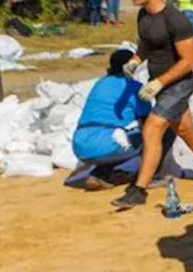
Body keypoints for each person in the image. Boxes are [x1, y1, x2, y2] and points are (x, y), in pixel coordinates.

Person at [110, 0, 193, 208]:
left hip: (179, 83)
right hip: (160, 83)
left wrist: (159, 83)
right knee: (184, 129)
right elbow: (147, 43)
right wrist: (136, 60)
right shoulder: (144, 15)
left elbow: (189, 61)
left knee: (152, 128)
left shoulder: (176, 20)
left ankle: (139, 189)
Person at [67, 50, 172, 191]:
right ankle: (150, 176)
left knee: (115, 134)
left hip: (80, 144)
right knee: (159, 130)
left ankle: (100, 174)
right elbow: (148, 119)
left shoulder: (100, 83)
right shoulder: (133, 87)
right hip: (107, 144)